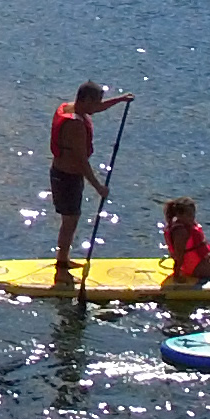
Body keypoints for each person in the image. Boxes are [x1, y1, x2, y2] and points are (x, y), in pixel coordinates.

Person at [45, 81, 135, 284]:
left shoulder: (69, 107)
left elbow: (97, 108)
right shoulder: (76, 125)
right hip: (66, 177)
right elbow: (81, 161)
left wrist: (121, 100)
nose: (98, 107)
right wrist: (98, 187)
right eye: (95, 103)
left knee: (71, 219)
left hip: (66, 175)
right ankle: (61, 270)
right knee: (69, 221)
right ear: (85, 100)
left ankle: (63, 259)